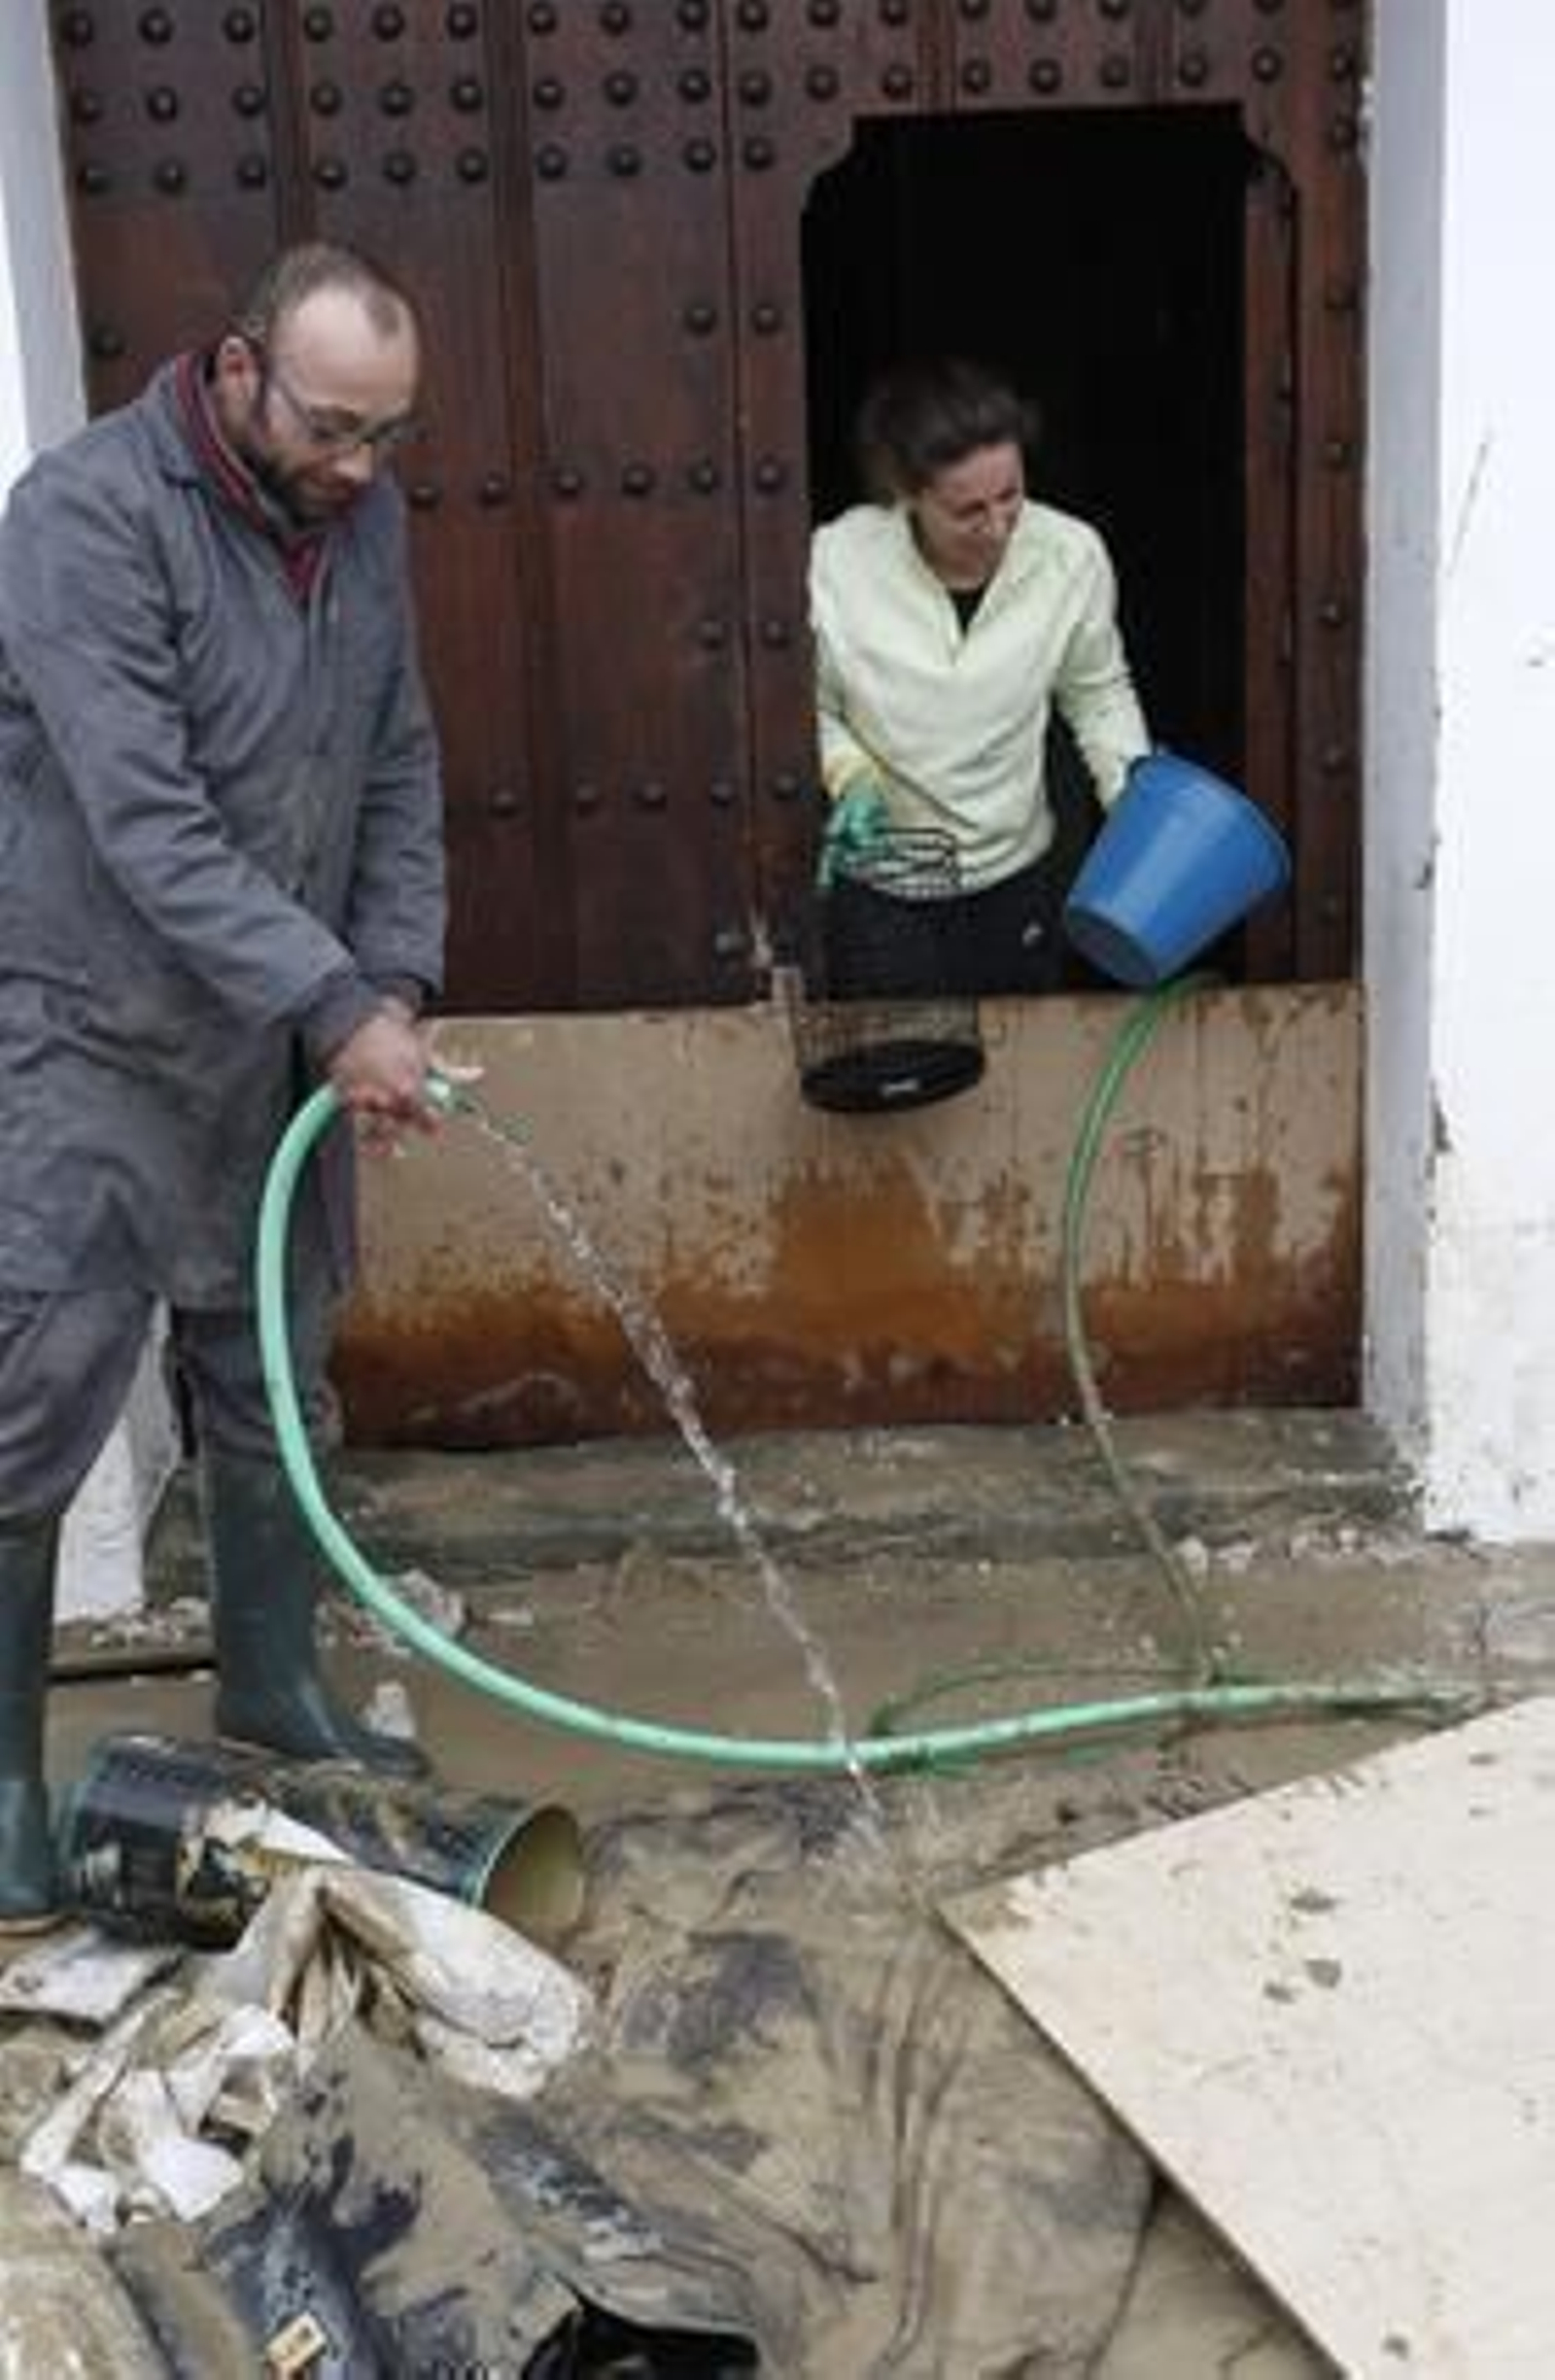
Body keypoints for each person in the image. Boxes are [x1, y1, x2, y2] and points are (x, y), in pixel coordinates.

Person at [0, 242, 450, 1929]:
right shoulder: (82, 518)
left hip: (279, 1033)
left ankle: (273, 1695)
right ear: (245, 366)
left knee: (274, 1372)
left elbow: (397, 753)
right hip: (90, 1032)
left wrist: (391, 975)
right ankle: (4, 1790)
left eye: (388, 438)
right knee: (33, 1402)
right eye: (333, 428)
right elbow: (145, 815)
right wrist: (335, 998)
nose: (358, 468)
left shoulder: (362, 519)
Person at [809, 357, 1152, 996]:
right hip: (883, 884)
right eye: (968, 511)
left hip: (1017, 875)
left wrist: (1131, 794)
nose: (997, 527)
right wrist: (846, 771)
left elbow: (1098, 693)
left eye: (1011, 496)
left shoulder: (1070, 555)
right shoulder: (837, 562)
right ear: (905, 494)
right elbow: (809, 706)